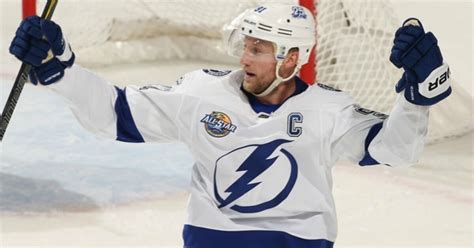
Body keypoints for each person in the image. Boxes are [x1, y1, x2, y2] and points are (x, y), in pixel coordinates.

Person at [9, 4, 451, 248]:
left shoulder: (327, 109)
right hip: (213, 242)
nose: (244, 58)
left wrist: (416, 100)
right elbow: (116, 112)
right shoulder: (202, 95)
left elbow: (396, 150)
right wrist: (61, 69)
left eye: (258, 49)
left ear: (292, 58)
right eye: (246, 46)